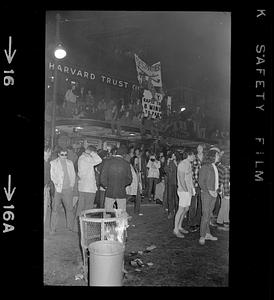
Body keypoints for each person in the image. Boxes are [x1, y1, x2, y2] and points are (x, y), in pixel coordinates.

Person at [50, 147, 76, 234]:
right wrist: (57, 184)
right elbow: (52, 176)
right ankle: (53, 228)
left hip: (68, 189)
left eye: (65, 155)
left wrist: (71, 185)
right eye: (62, 155)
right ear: (58, 154)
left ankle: (70, 227)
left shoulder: (70, 163)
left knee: (69, 209)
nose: (64, 156)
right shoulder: (53, 163)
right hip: (58, 190)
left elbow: (73, 175)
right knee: (55, 209)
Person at [198, 149, 220, 245]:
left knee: (208, 215)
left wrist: (216, 191)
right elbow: (201, 182)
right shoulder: (205, 167)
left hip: (213, 194)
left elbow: (215, 181)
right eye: (217, 155)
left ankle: (207, 234)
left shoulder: (214, 166)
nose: (218, 157)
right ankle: (202, 236)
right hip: (207, 194)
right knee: (205, 216)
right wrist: (209, 191)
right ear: (212, 156)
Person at [100, 145, 132, 212]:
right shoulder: (126, 164)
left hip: (109, 191)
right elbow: (129, 179)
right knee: (122, 212)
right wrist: (122, 184)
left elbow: (102, 178)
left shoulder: (107, 161)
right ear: (124, 154)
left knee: (108, 211)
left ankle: (108, 222)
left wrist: (107, 186)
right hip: (121, 192)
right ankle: (121, 222)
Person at [75, 145, 102, 223]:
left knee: (80, 208)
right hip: (89, 188)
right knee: (88, 209)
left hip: (82, 187)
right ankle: (85, 226)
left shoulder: (81, 158)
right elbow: (99, 160)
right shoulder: (87, 158)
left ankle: (76, 226)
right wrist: (91, 153)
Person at [173, 149, 195, 238]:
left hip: (187, 191)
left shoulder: (188, 164)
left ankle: (179, 226)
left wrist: (191, 189)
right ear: (189, 155)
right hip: (183, 191)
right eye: (193, 155)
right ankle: (175, 229)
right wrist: (186, 190)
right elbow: (181, 179)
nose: (194, 157)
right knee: (181, 210)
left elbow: (189, 178)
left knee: (186, 209)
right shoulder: (183, 164)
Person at [188, 144, 205, 233]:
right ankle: (191, 223)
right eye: (198, 148)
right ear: (197, 149)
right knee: (193, 204)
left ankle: (197, 222)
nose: (199, 149)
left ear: (203, 149)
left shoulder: (205, 159)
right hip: (195, 184)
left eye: (201, 148)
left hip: (203, 185)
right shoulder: (194, 159)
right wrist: (193, 184)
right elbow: (191, 172)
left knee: (200, 204)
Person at [216, 155, 230, 231]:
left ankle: (224, 221)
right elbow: (226, 183)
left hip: (220, 189)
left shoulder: (220, 167)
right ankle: (221, 222)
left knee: (224, 206)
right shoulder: (226, 170)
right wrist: (228, 193)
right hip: (225, 190)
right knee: (225, 207)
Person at [165, 152, 179, 219]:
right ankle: (170, 212)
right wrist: (167, 164)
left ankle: (177, 212)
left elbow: (180, 172)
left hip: (176, 183)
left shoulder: (179, 162)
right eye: (172, 155)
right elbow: (165, 171)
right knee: (170, 198)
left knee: (176, 199)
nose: (173, 157)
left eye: (174, 155)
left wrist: (177, 165)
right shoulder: (169, 162)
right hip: (170, 182)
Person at [44, 147, 52, 224]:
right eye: (49, 152)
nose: (50, 154)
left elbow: (49, 175)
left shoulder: (48, 162)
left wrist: (48, 184)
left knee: (45, 206)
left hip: (46, 186)